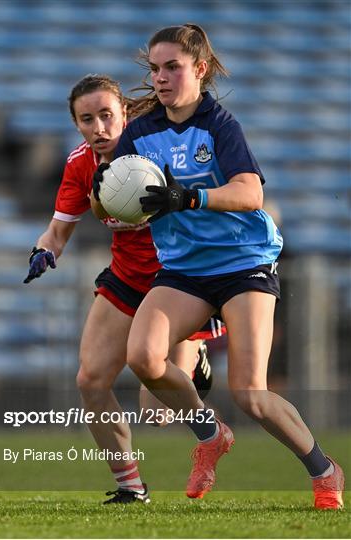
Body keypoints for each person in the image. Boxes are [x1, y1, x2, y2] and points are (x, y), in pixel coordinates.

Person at [110, 24, 344, 509]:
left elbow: (250, 193)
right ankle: (210, 434)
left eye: (172, 67)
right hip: (184, 270)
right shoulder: (139, 133)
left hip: (243, 265)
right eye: (154, 68)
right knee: (144, 359)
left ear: (199, 69)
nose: (160, 77)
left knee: (250, 393)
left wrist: (188, 196)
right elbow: (118, 194)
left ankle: (324, 470)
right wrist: (112, 203)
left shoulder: (219, 125)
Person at [23, 73, 223, 504]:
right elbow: (56, 232)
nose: (99, 128)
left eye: (106, 115)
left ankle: (195, 357)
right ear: (76, 123)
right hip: (128, 278)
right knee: (91, 379)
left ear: (125, 113)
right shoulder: (80, 165)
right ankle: (130, 487)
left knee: (157, 413)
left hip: (181, 281)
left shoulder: (161, 147)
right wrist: (43, 251)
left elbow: (213, 204)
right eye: (86, 119)